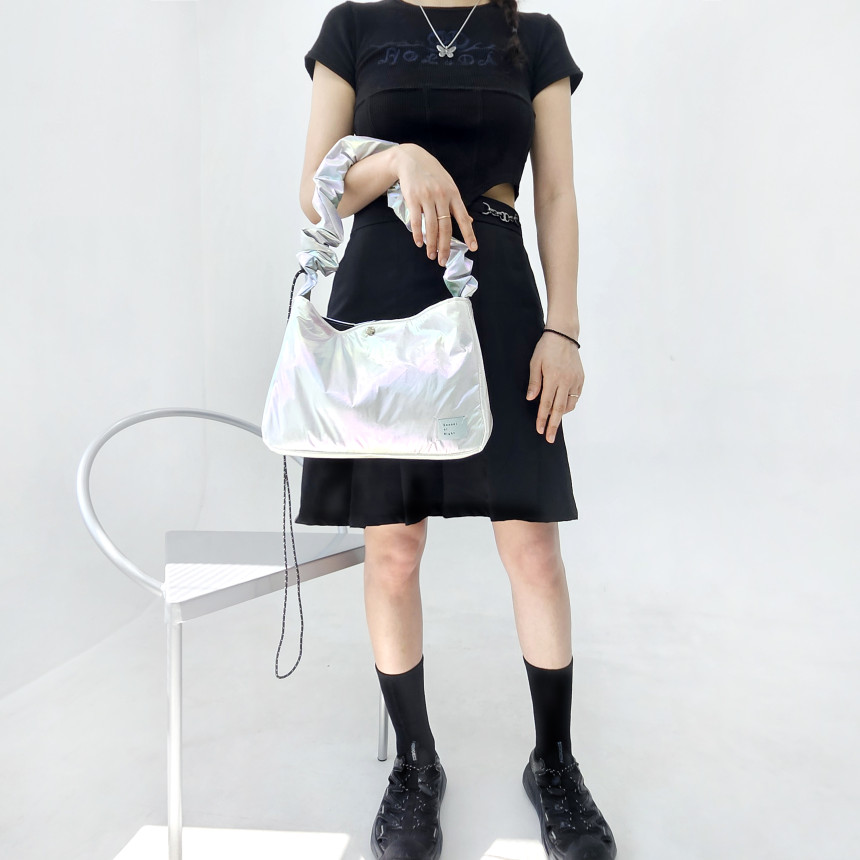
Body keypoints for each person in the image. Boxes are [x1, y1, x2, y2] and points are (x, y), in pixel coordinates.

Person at [297, 2, 617, 858]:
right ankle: (415, 763)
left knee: (533, 545)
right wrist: (400, 158)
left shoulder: (535, 36)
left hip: (499, 294)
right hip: (382, 294)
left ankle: (554, 763)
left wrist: (565, 327)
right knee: (394, 548)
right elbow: (317, 188)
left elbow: (556, 192)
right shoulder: (354, 27)